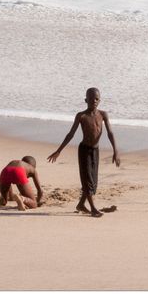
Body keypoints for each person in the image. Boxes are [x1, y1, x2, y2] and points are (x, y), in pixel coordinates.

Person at [47, 87, 120, 217]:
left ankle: (81, 204)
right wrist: (59, 151)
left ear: (100, 100)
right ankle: (92, 209)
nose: (94, 101)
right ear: (86, 100)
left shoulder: (103, 115)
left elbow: (110, 132)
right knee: (87, 180)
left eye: (96, 99)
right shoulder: (81, 116)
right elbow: (71, 134)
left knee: (94, 181)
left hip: (95, 150)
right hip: (84, 150)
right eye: (91, 99)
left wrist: (116, 150)